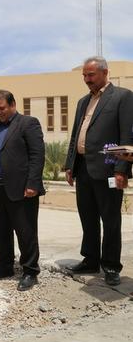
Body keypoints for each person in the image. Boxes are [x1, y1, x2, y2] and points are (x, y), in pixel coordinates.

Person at [65, 56, 133, 286]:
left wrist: (122, 169)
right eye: (84, 75)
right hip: (84, 168)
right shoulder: (83, 102)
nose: (86, 79)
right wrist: (70, 165)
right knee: (88, 217)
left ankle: (111, 266)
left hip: (109, 169)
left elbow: (127, 135)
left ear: (105, 73)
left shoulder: (122, 97)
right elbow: (76, 135)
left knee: (110, 220)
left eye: (90, 75)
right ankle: (91, 259)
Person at [0, 90, 45, 291]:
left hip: (22, 189)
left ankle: (30, 271)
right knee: (2, 231)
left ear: (13, 104)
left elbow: (37, 154)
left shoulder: (28, 123)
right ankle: (5, 267)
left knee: (25, 232)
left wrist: (33, 184)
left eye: (2, 108)